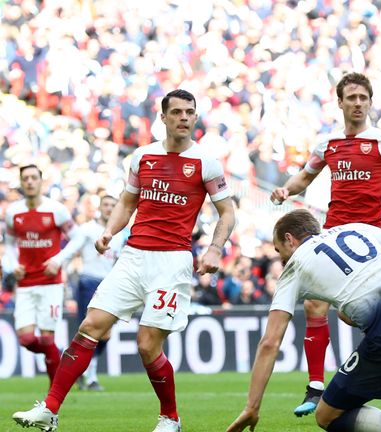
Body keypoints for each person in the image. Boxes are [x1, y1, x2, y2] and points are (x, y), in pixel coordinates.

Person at [13, 89, 236, 432]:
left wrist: (215, 249)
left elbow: (227, 212)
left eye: (189, 112)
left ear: (195, 116)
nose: (183, 118)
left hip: (172, 261)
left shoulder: (206, 162)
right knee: (90, 326)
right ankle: (50, 409)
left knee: (147, 345)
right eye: (176, 112)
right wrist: (109, 231)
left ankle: (170, 418)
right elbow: (126, 202)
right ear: (162, 118)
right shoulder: (142, 157)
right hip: (133, 256)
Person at [270, 72, 381, 416]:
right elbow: (305, 176)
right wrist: (286, 190)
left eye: (363, 98)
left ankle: (375, 376)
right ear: (340, 102)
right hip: (334, 233)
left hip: (369, 238)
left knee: (367, 316)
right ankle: (315, 387)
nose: (357, 104)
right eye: (351, 98)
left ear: (370, 102)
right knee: (314, 306)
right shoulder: (329, 144)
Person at [226, 210, 381, 432]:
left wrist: (252, 407)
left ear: (290, 239)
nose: (282, 259)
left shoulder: (294, 267)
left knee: (327, 415)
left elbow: (270, 342)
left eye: (279, 250)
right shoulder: (352, 228)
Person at [3, 163, 74, 386]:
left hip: (50, 283)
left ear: (41, 181)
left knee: (46, 337)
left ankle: (53, 399)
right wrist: (12, 265)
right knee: (25, 339)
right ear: (21, 183)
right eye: (26, 178)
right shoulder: (14, 212)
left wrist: (58, 260)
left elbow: (78, 238)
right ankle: (55, 353)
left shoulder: (57, 210)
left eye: (34, 178)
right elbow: (10, 245)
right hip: (25, 284)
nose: (30, 182)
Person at [52, 194, 126, 391]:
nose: (109, 208)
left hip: (110, 284)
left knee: (106, 334)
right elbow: (70, 250)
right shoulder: (87, 230)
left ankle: (82, 370)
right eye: (106, 205)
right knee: (91, 330)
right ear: (99, 208)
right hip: (88, 282)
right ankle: (90, 376)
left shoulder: (119, 234)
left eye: (113, 205)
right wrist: (57, 263)